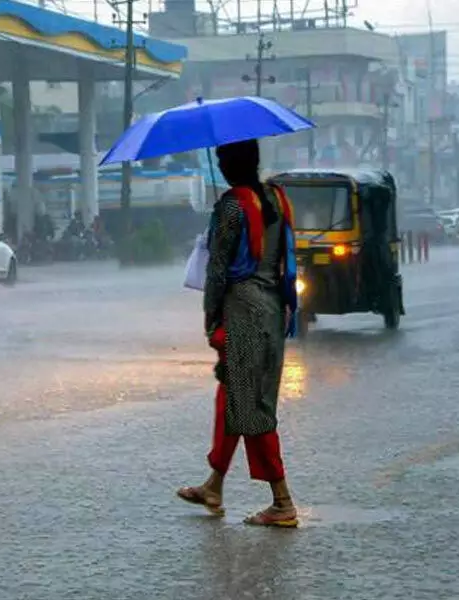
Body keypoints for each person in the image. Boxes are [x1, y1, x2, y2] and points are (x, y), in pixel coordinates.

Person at [176, 139, 301, 528]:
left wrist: (211, 316)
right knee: (233, 397)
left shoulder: (231, 206)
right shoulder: (277, 199)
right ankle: (214, 484)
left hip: (242, 310)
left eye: (222, 158)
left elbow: (216, 270)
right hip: (272, 308)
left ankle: (282, 502)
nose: (221, 164)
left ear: (232, 164)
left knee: (250, 407)